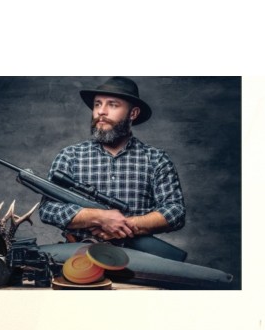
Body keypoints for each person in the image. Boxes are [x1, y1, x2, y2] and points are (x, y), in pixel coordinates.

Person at [39, 78, 186, 243]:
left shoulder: (156, 159)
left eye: (113, 105)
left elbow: (175, 212)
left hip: (135, 256)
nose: (101, 112)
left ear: (133, 113)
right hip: (80, 254)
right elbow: (48, 209)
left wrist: (125, 225)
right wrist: (98, 217)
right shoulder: (70, 156)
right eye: (97, 104)